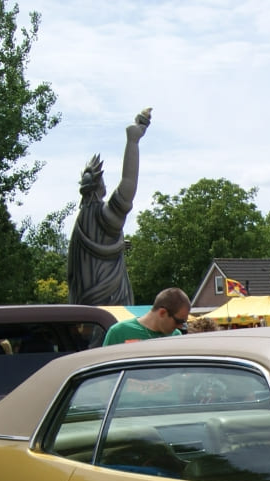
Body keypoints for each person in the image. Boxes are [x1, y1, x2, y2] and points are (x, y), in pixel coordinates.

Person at [68, 108, 150, 307]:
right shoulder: (103, 217)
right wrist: (133, 141)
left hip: (82, 305)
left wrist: (119, 245)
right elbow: (128, 184)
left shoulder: (82, 222)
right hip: (109, 308)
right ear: (99, 187)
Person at [102, 288, 191, 345]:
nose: (180, 326)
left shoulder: (176, 336)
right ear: (162, 313)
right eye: (178, 321)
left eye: (183, 322)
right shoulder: (119, 332)